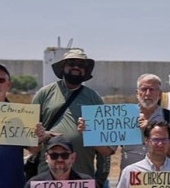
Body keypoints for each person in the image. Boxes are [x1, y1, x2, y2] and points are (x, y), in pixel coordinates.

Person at [32, 49, 112, 178]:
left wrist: (101, 178)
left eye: (81, 65)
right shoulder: (44, 94)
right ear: (63, 67)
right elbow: (30, 137)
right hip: (48, 175)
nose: (76, 67)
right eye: (71, 63)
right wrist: (44, 135)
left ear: (86, 71)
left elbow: (104, 144)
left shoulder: (94, 98)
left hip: (83, 174)